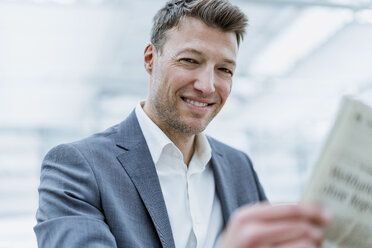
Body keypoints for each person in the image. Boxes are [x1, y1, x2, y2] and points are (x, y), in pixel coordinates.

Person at [34, 0, 331, 247]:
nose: (207, 85)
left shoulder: (240, 168)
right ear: (151, 58)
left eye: (224, 69)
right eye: (190, 60)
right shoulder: (76, 166)